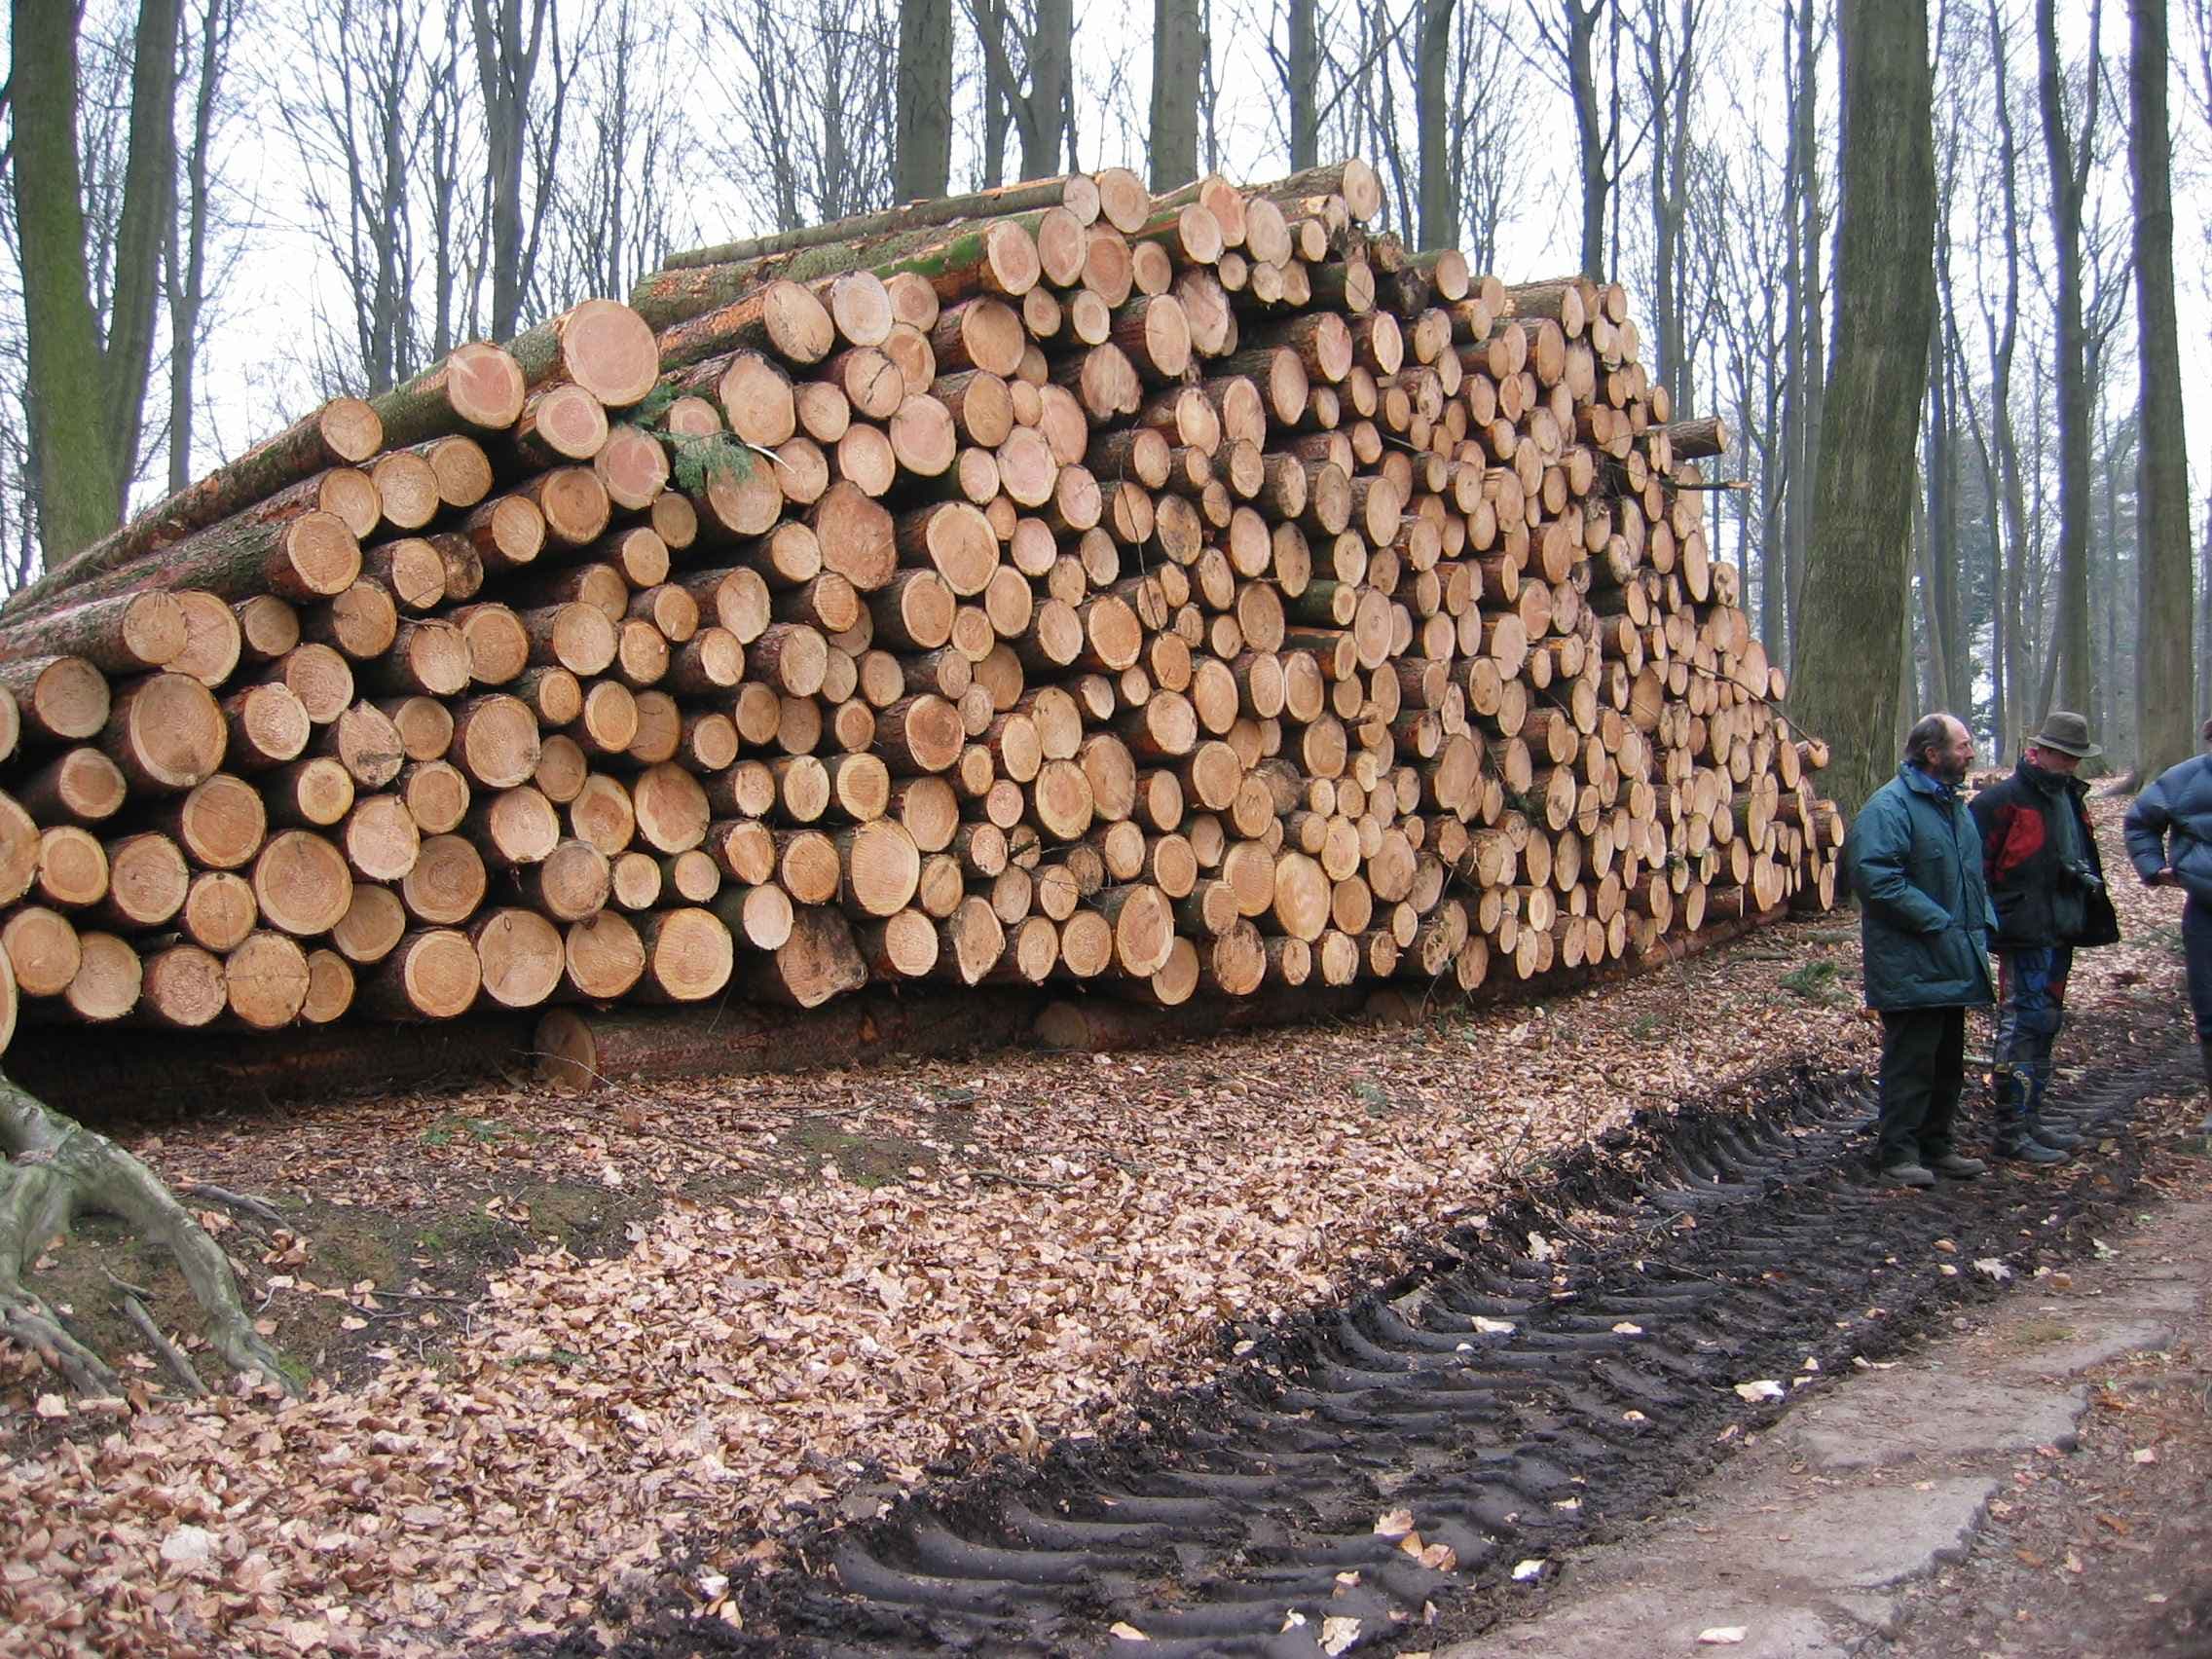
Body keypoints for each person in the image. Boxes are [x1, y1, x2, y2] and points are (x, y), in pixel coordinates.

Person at [1843, 712, 1998, 1188]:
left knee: (1948, 1061)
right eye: (1964, 745)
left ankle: (1937, 1145)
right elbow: (1874, 876)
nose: (1971, 753)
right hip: (1912, 960)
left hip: (1953, 955)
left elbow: (1968, 877)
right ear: (1934, 754)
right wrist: (1937, 921)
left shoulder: (1953, 807)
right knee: (1911, 1062)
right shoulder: (1889, 808)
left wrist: (1984, 921)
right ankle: (1899, 1153)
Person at [1967, 712, 2120, 1162]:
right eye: (2066, 756)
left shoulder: (2069, 798)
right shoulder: (2001, 802)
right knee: (2021, 1023)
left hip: (2062, 929)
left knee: (2046, 1023)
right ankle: (2010, 1131)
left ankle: (2032, 1121)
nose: (2072, 765)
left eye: (2077, 758)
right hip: (2023, 933)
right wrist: (1997, 918)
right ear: (2041, 751)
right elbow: (1976, 871)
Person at [2122, 717, 2212, 1130]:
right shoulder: (2185, 780)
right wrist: (2154, 867)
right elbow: (2140, 821)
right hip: (2205, 912)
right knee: (2209, 1007)